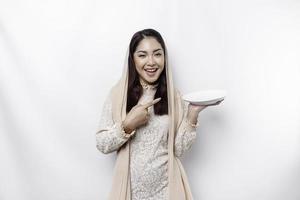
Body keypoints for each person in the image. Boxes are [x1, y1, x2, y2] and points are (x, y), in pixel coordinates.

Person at [96, 28, 223, 200]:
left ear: (164, 58)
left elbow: (179, 150)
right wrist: (128, 124)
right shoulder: (118, 95)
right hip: (129, 191)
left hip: (167, 190)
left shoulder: (174, 96)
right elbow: (102, 144)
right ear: (132, 59)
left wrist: (192, 115)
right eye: (142, 55)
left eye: (157, 54)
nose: (151, 62)